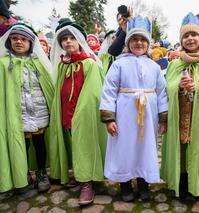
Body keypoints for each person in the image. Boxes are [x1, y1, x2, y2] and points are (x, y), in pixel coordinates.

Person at [100, 15, 168, 202]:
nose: (139, 43)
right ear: (128, 42)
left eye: (142, 40)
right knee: (125, 147)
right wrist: (109, 118)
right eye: (135, 39)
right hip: (124, 115)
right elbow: (109, 91)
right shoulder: (119, 64)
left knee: (145, 148)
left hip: (148, 115)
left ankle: (144, 182)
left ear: (148, 44)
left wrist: (163, 118)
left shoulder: (154, 67)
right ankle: (125, 184)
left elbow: (162, 92)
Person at [161, 12, 199, 198]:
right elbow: (167, 86)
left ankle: (198, 181)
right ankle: (182, 180)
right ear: (181, 40)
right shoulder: (175, 63)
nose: (190, 39)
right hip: (180, 113)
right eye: (186, 36)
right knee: (181, 148)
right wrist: (177, 86)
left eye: (194, 35)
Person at [49, 20, 106, 205]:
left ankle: (87, 182)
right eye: (64, 39)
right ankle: (80, 173)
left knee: (84, 145)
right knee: (74, 144)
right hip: (67, 113)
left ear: (79, 40)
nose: (67, 42)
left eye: (71, 38)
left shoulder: (88, 64)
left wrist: (80, 114)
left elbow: (93, 93)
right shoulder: (63, 64)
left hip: (82, 115)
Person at [0, 23, 54, 194]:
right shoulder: (3, 64)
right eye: (15, 38)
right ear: (9, 41)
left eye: (23, 39)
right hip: (17, 113)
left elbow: (48, 86)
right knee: (21, 144)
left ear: (31, 42)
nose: (19, 42)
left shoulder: (38, 63)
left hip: (38, 111)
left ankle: (41, 172)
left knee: (39, 144)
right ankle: (22, 174)